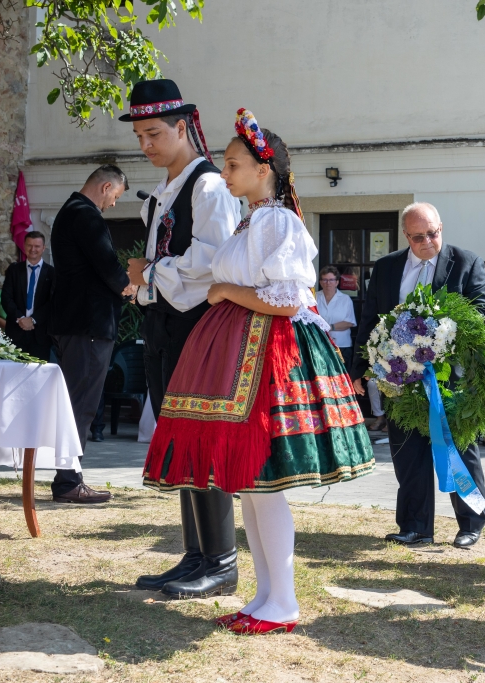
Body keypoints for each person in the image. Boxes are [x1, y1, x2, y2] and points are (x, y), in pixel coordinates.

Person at [143, 110, 374, 633]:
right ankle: (265, 595)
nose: (224, 173)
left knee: (263, 484)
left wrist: (225, 290)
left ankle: (283, 600)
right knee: (252, 485)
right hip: (240, 347)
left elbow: (289, 299)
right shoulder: (253, 219)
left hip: (267, 354)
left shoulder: (275, 220)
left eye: (232, 165)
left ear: (263, 169)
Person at [120, 79, 240, 598]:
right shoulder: (163, 192)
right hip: (164, 326)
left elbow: (216, 261)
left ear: (182, 127)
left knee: (201, 439)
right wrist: (147, 280)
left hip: (197, 328)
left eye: (154, 133)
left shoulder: (208, 187)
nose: (145, 144)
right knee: (180, 440)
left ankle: (222, 561)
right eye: (139, 136)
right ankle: (196, 556)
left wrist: (149, 271)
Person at [351, 201, 485, 549]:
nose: (428, 241)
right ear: (406, 235)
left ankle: (471, 524)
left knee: (458, 449)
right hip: (399, 378)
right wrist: (359, 370)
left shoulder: (467, 262)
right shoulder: (386, 267)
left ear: (440, 228)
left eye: (433, 233)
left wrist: (441, 334)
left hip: (449, 379)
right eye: (418, 237)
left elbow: (484, 313)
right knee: (407, 453)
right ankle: (416, 526)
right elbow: (370, 318)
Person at [48, 165, 133, 503]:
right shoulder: (85, 214)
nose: (113, 204)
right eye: (116, 197)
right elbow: (108, 265)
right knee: (81, 404)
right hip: (88, 325)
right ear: (106, 186)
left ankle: (68, 476)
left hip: (77, 324)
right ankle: (68, 481)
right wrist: (131, 288)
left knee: (77, 402)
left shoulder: (69, 211)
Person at [0, 231, 55, 361]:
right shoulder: (14, 270)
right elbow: (6, 298)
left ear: (43, 248)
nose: (33, 249)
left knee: (38, 372)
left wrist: (33, 319)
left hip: (40, 335)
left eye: (37, 246)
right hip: (15, 332)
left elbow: (53, 302)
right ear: (24, 246)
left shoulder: (52, 273)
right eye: (29, 245)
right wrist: (21, 318)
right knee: (12, 371)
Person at [315, 265, 356, 369]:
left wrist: (329, 327)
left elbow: (349, 322)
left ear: (337, 282)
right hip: (319, 344)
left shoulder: (345, 299)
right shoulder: (314, 298)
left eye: (331, 280)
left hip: (341, 346)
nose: (328, 283)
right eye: (325, 280)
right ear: (320, 282)